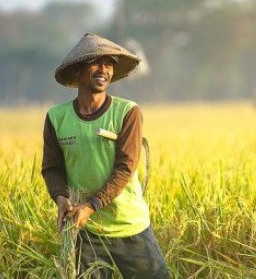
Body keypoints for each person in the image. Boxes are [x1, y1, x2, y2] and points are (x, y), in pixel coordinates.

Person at [41, 33, 169, 279]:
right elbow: (52, 168)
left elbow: (125, 167)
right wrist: (60, 197)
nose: (104, 70)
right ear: (78, 70)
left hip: (129, 225)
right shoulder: (57, 117)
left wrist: (92, 205)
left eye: (109, 63)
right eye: (96, 63)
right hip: (88, 231)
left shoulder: (127, 111)